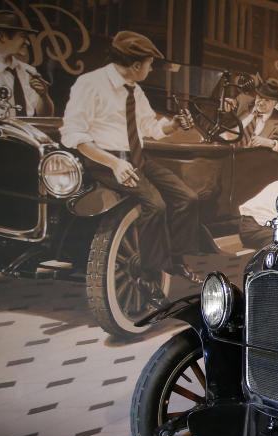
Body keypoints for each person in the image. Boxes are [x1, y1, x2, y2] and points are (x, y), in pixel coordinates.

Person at [60, 30, 202, 286]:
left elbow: (151, 128)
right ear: (137, 65)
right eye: (149, 65)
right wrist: (114, 163)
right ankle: (148, 276)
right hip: (103, 161)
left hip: (135, 159)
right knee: (155, 205)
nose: (150, 70)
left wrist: (175, 124)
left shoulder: (133, 90)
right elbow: (74, 134)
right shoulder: (89, 84)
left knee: (187, 198)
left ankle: (173, 259)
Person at [0, 10, 53, 117]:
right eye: (23, 36)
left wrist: (43, 96)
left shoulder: (28, 71)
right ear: (2, 36)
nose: (27, 42)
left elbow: (44, 116)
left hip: (26, 132)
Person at [227, 79, 278, 160]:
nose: (261, 103)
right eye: (260, 97)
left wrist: (270, 143)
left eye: (267, 100)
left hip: (250, 162)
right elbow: (226, 112)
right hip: (225, 151)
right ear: (256, 96)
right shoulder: (243, 102)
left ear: (274, 103)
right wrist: (226, 105)